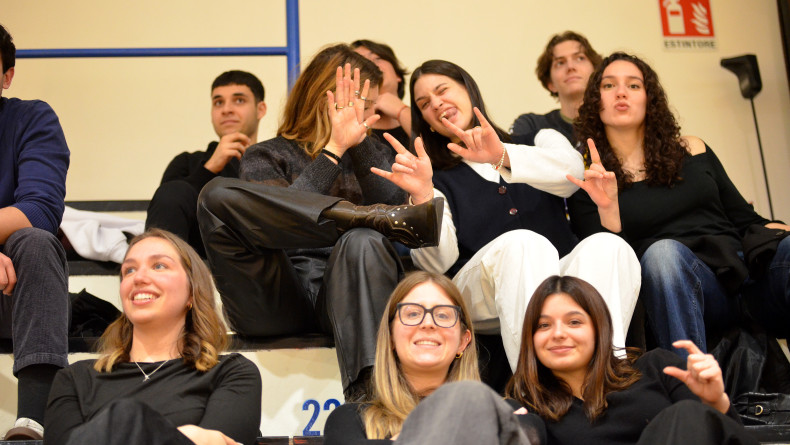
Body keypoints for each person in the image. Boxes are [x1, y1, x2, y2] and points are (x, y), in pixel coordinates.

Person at [197, 44, 443, 401]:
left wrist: (358, 146)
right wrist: (332, 151)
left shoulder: (376, 153)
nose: (371, 114)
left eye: (370, 106)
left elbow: (403, 226)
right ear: (326, 98)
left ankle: (371, 400)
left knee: (363, 239)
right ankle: (361, 217)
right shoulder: (266, 154)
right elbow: (277, 231)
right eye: (363, 104)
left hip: (349, 293)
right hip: (276, 294)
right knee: (215, 195)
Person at [372, 59, 641, 372]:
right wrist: (422, 196)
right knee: (523, 243)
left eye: (442, 90)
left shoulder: (538, 138)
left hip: (558, 275)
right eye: (424, 104)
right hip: (478, 293)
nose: (436, 103)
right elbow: (438, 263)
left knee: (611, 246)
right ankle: (536, 383)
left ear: (469, 92)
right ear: (428, 123)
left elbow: (571, 175)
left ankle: (608, 372)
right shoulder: (436, 178)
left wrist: (501, 155)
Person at [567, 52, 790, 355]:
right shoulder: (590, 180)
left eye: (633, 85)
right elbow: (612, 267)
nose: (621, 92)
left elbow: (745, 219)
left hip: (745, 273)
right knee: (663, 255)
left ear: (649, 99)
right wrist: (609, 209)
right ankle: (689, 382)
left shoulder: (692, 148)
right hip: (685, 288)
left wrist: (780, 234)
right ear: (596, 101)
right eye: (609, 85)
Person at [45, 229, 262, 445]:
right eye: (129, 270)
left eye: (159, 266)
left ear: (191, 291)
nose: (138, 278)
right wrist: (190, 435)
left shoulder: (231, 372)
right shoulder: (74, 379)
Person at [507, 275, 757, 445]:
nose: (558, 333)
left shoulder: (658, 368)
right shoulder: (530, 410)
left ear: (599, 329)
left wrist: (715, 401)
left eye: (574, 322)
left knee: (686, 414)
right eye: (544, 325)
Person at [323, 271, 544, 445]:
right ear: (390, 338)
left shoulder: (511, 412)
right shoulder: (350, 422)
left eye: (443, 315)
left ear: (463, 341)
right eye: (412, 313)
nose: (428, 323)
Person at [0, 23, 70, 441]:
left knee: (36, 242)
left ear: (6, 76)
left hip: (9, 293)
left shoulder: (31, 118)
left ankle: (33, 422)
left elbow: (40, 211)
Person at [146, 70, 266, 257]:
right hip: (200, 255)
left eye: (239, 100)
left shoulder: (276, 162)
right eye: (218, 102)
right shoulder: (186, 162)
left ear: (261, 109)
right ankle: (160, 268)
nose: (226, 109)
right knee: (174, 191)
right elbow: (169, 209)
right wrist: (210, 168)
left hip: (263, 253)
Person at [510, 31, 602, 143]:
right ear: (550, 84)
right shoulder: (531, 125)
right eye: (560, 63)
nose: (570, 67)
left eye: (580, 58)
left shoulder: (612, 124)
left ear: (596, 72)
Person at [351, 39, 411, 147]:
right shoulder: (348, 129)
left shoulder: (426, 116)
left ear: (397, 75)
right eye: (361, 62)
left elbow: (436, 151)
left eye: (377, 58)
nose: (370, 64)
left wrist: (402, 111)